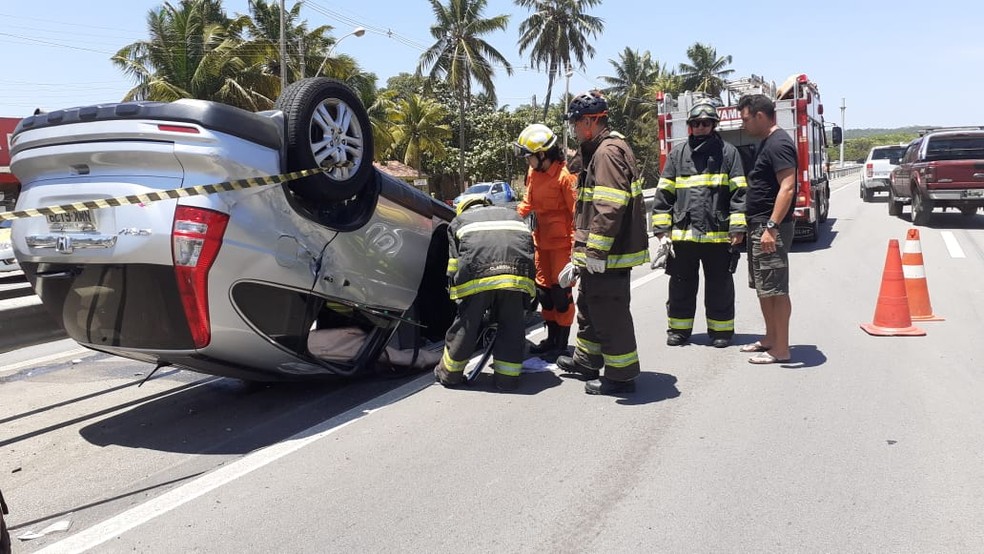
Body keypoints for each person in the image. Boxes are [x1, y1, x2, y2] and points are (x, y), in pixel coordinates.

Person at [555, 90, 650, 395]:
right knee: (590, 306)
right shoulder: (598, 149)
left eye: (575, 123)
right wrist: (581, 256)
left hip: (608, 254)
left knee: (609, 313)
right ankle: (587, 361)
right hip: (598, 254)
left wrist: (595, 250)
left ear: (588, 122)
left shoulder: (607, 152)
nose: (573, 129)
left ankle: (621, 376)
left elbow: (609, 206)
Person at [651, 100, 747, 348]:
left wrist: (737, 228)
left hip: (718, 236)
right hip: (683, 237)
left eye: (706, 123)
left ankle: (721, 331)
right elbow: (664, 194)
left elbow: (739, 194)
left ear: (714, 125)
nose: (701, 127)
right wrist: (662, 232)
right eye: (696, 123)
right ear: (690, 126)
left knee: (719, 287)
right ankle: (679, 330)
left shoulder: (728, 153)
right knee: (680, 286)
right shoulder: (677, 154)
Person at [434, 196, 536, 391]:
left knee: (467, 325)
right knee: (512, 326)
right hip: (515, 276)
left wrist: (458, 298)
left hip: (478, 277)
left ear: (463, 208)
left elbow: (454, 264)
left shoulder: (459, 221)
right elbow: (528, 250)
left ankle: (449, 375)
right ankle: (507, 380)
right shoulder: (513, 216)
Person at [736, 93, 796, 364]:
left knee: (776, 288)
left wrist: (771, 227)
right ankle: (771, 338)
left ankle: (781, 349)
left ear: (760, 116)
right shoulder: (766, 142)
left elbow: (788, 187)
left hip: (769, 226)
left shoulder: (779, 143)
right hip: (758, 224)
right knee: (764, 287)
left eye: (746, 119)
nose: (743, 125)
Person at [513, 123, 578, 360]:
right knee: (544, 294)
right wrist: (509, 218)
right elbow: (527, 204)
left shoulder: (565, 177)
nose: (527, 161)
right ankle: (550, 340)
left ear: (543, 154)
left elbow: (576, 215)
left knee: (561, 296)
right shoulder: (534, 173)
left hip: (562, 247)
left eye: (529, 156)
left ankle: (561, 343)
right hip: (541, 243)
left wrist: (576, 252)